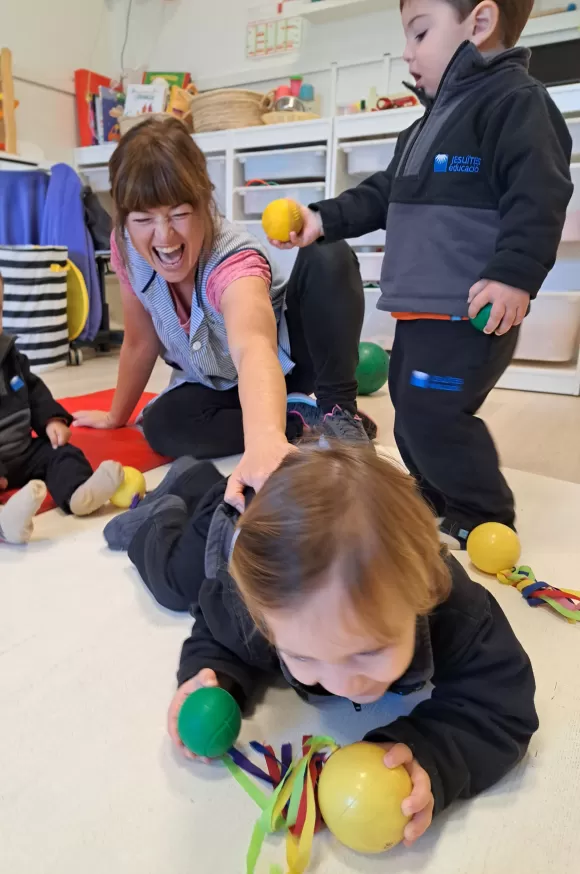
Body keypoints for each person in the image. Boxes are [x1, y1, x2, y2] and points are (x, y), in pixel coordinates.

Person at [270, 0, 573, 547]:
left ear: (478, 24)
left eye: (420, 33)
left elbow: (541, 194)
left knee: (436, 414)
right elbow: (381, 195)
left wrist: (515, 275)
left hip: (468, 312)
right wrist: (322, 219)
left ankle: (483, 510)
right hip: (418, 314)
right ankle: (435, 490)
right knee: (410, 415)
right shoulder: (424, 126)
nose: (407, 53)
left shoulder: (515, 103)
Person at [162, 444, 538, 846]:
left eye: (368, 651)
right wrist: (214, 675)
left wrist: (433, 755)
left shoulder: (454, 608)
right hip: (228, 511)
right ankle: (169, 502)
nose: (343, 685)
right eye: (304, 656)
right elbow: (215, 630)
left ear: (423, 593)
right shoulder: (262, 605)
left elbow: (502, 707)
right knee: (170, 582)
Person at [73, 117, 371, 512]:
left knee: (328, 254)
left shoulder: (232, 258)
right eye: (144, 219)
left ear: (204, 202)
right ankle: (296, 420)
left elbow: (253, 347)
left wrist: (264, 441)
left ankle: (336, 415)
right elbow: (140, 340)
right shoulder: (126, 246)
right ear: (125, 219)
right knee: (163, 426)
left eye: (179, 213)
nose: (164, 238)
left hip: (285, 360)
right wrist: (115, 416)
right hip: (217, 381)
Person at [0, 276, 123, 544]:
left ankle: (78, 493)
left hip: (22, 450)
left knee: (62, 453)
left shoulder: (10, 357)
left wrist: (51, 421)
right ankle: (6, 523)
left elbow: (34, 393)